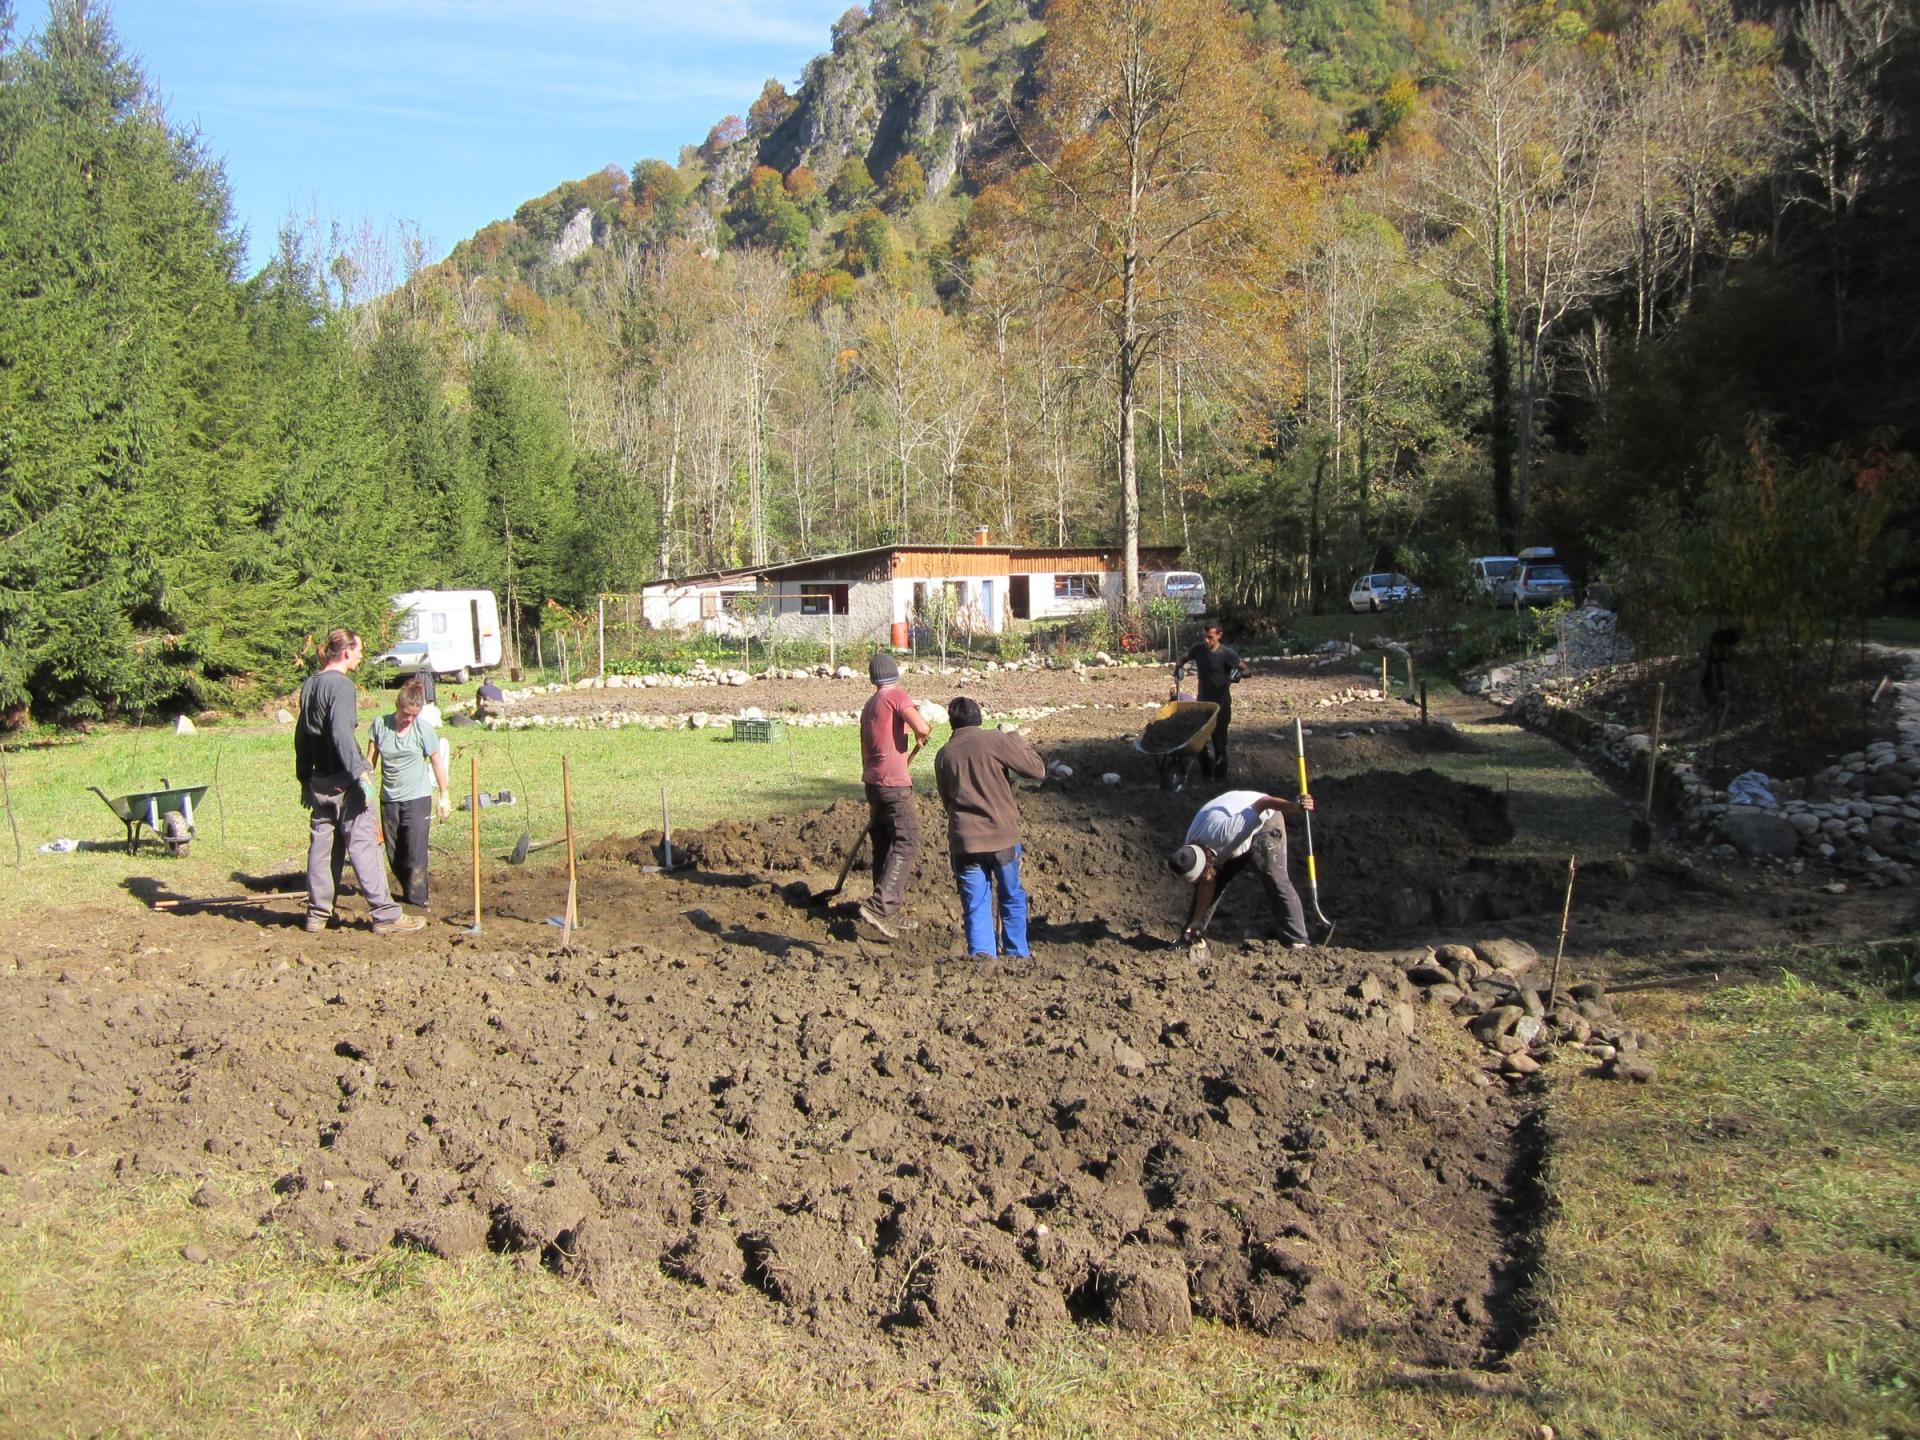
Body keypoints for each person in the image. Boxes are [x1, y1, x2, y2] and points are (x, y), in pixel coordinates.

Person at [294, 629, 425, 935]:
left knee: (322, 847)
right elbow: (341, 734)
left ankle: (317, 914)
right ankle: (385, 914)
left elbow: (301, 735)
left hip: (320, 781)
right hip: (344, 780)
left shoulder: (310, 685)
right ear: (346, 652)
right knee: (364, 843)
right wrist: (360, 774)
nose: (362, 655)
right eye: (359, 650)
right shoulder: (341, 687)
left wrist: (304, 777)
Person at [934, 697, 1046, 960]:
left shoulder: (944, 755)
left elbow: (947, 802)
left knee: (976, 905)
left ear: (952, 722)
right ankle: (1018, 955)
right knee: (1011, 896)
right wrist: (1015, 738)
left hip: (965, 843)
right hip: (1002, 838)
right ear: (979, 717)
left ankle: (982, 960)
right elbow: (1037, 770)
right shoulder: (996, 741)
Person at [1168, 789, 1318, 949]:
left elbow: (1264, 803)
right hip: (1233, 819)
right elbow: (1207, 880)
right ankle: (1192, 934)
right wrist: (1197, 919)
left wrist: (1295, 807)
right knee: (1214, 879)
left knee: (1273, 874)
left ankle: (1297, 939)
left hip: (1264, 820)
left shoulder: (1227, 833)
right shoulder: (1189, 848)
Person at [855, 651, 931, 939]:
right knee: (907, 840)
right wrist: (923, 734)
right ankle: (880, 906)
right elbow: (922, 727)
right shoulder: (897, 697)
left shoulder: (869, 705)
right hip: (894, 784)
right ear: (895, 674)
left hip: (873, 783)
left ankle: (883, 914)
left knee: (884, 845)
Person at [367, 678, 452, 907]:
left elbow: (436, 761)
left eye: (414, 715)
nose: (409, 719)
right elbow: (370, 763)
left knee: (415, 853)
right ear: (398, 707)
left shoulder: (422, 730)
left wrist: (444, 795)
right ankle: (408, 890)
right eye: (406, 714)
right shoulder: (380, 726)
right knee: (395, 853)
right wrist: (364, 789)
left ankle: (418, 900)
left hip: (417, 798)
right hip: (390, 799)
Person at [1172, 623, 1250, 779]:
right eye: (1205, 637)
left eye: (1210, 637)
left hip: (1221, 705)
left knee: (1219, 744)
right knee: (1198, 743)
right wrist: (1178, 668)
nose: (1207, 641)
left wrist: (1239, 675)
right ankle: (1207, 774)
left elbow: (1247, 670)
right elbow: (1183, 658)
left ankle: (1220, 779)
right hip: (1203, 704)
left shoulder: (1227, 654)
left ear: (1219, 635)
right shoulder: (1198, 649)